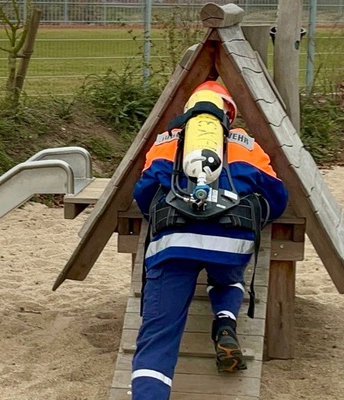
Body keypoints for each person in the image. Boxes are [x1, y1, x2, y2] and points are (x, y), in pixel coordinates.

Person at [130, 80, 288, 398]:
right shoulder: (246, 144)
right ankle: (225, 321)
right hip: (231, 240)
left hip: (173, 243)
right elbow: (277, 195)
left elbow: (143, 193)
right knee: (228, 277)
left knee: (157, 338)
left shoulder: (165, 141)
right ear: (228, 113)